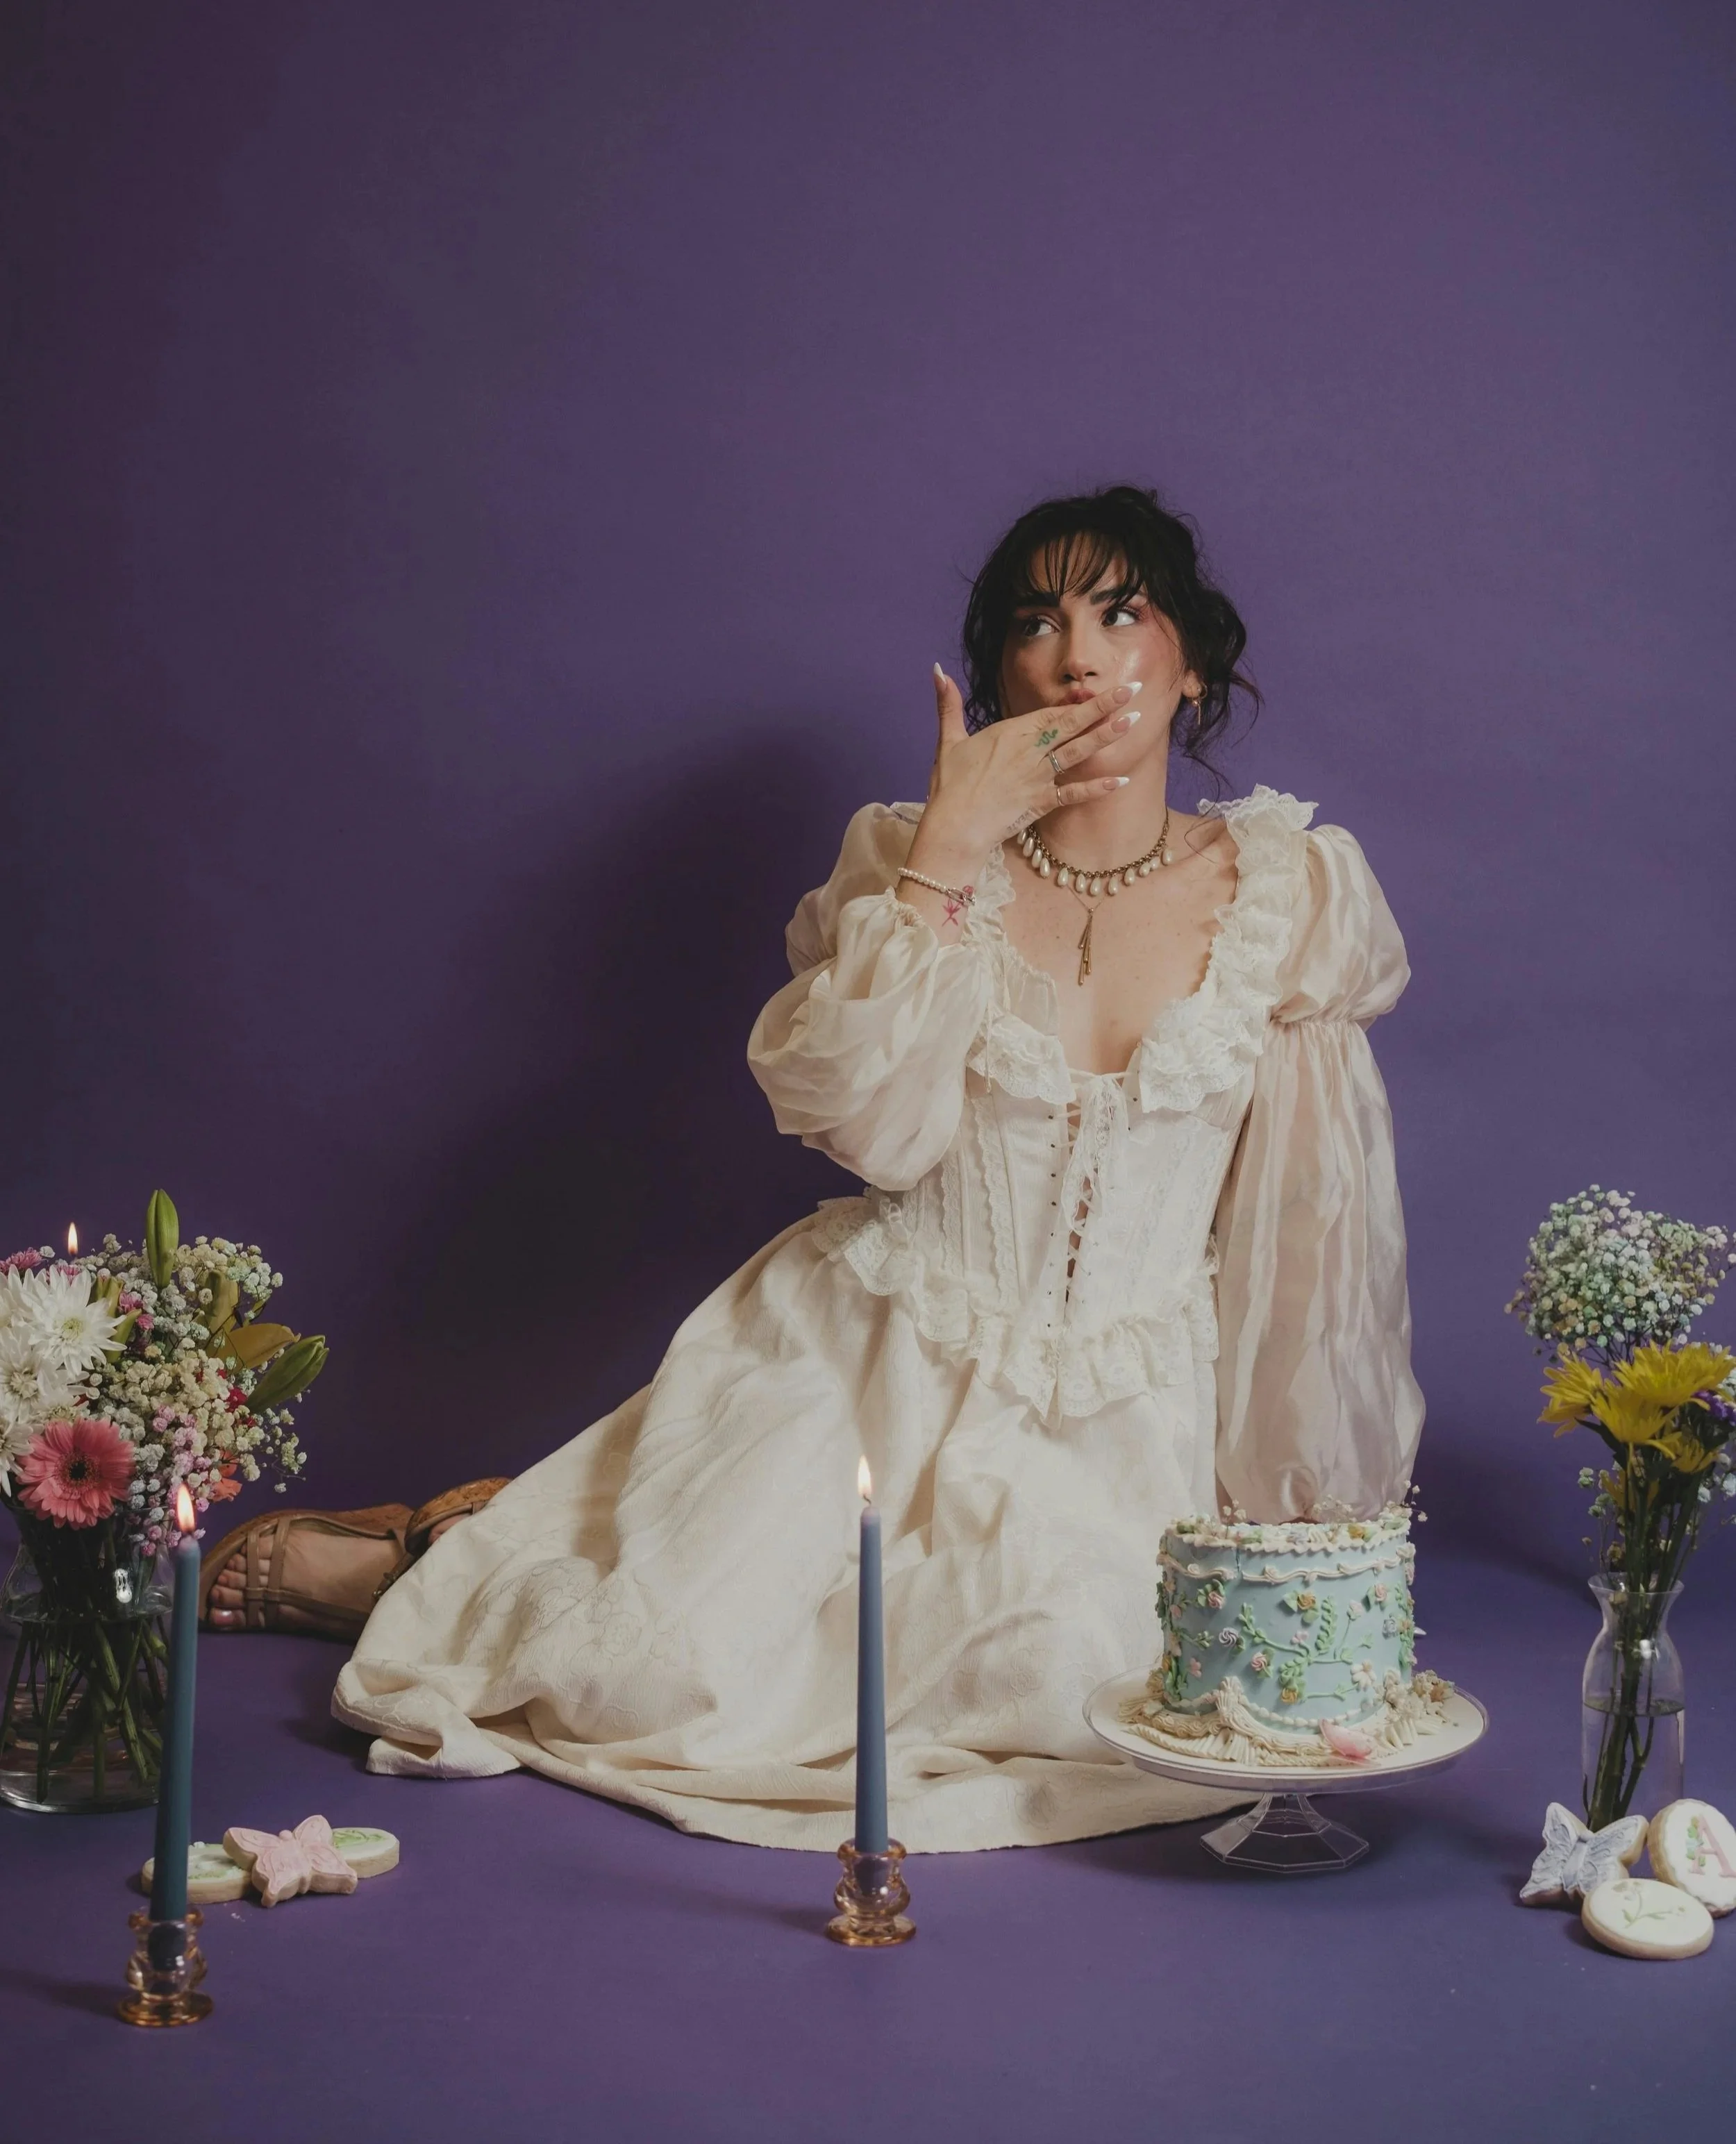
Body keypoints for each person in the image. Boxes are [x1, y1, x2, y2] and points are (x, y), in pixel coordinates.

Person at [206, 484, 1424, 1853]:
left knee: (1070, 1684)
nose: (1077, 653)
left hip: (1128, 1415)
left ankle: (462, 1541)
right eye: (1035, 621)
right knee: (649, 1664)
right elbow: (869, 1131)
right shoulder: (905, 858)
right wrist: (946, 855)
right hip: (871, 1354)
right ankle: (417, 1559)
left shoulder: (1290, 893)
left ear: (1186, 659)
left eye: (1119, 612)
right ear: (996, 674)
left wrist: (1309, 1531)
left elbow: (1307, 1236)